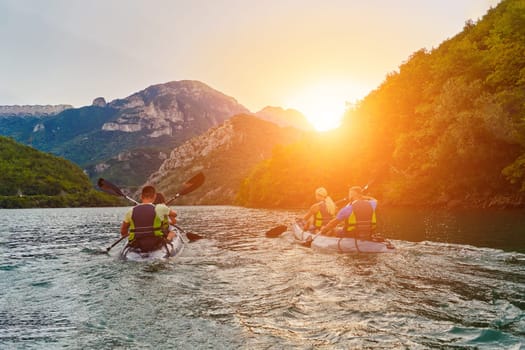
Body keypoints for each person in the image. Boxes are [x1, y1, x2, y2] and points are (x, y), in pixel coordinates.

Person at [120, 185, 174, 252]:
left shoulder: (131, 211)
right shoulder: (160, 208)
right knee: (171, 233)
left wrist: (128, 237)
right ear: (155, 196)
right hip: (156, 242)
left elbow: (123, 230)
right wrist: (167, 210)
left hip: (137, 243)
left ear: (141, 196)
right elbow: (174, 215)